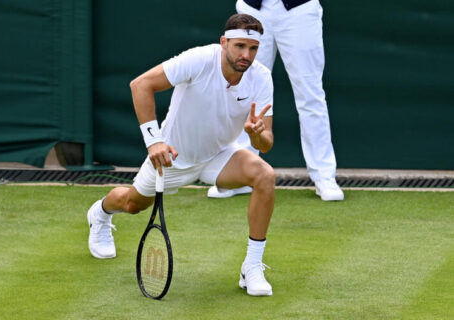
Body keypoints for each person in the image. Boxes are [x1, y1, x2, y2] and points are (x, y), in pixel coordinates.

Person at [87, 14, 276, 296]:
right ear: (224, 42)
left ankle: (252, 266)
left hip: (220, 155)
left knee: (265, 175)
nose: (246, 55)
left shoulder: (261, 77)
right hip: (172, 158)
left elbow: (267, 143)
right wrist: (155, 142)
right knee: (131, 204)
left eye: (253, 49)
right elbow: (140, 85)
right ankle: (100, 213)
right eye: (239, 46)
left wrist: (255, 134)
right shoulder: (199, 59)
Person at [208, 0, 344, 201]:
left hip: (300, 10)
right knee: (244, 88)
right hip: (253, 8)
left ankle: (324, 176)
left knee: (310, 93)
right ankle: (240, 174)